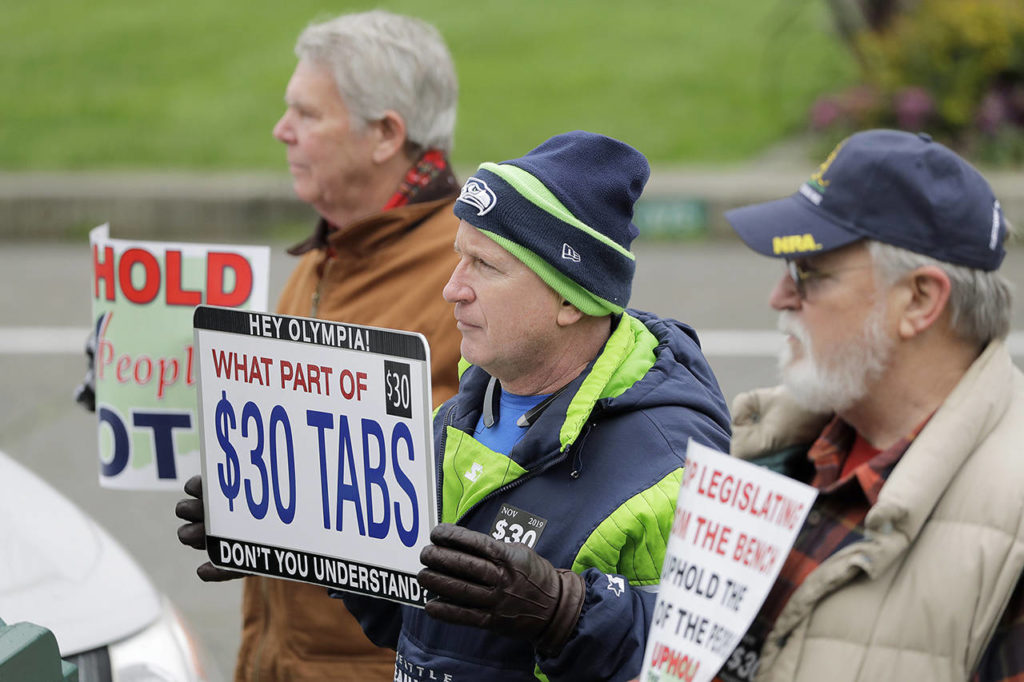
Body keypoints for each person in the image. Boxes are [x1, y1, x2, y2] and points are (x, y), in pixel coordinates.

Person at [336, 130, 733, 681]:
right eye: (459, 257)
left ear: (570, 297)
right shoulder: (457, 416)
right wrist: (295, 529)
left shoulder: (669, 470)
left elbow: (706, 661)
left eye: (485, 266)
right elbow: (412, 630)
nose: (453, 288)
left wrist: (568, 615)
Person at [175, 10, 464, 682]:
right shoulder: (326, 253)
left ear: (386, 134)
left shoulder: (469, 276)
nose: (282, 131)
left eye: (306, 114)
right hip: (276, 659)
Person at [716, 129, 1024, 682]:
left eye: (808, 272)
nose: (779, 298)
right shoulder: (776, 447)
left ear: (919, 301)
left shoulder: (1012, 527)